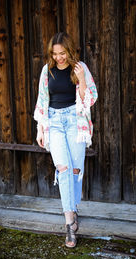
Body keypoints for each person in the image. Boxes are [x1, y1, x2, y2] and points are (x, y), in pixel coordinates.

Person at [34, 32, 98, 248]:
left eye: (62, 53)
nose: (59, 57)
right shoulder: (47, 70)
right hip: (54, 122)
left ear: (70, 51)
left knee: (75, 170)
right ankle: (69, 223)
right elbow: (42, 101)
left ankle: (73, 207)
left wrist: (81, 80)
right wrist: (40, 129)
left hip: (75, 121)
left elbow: (89, 100)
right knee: (62, 168)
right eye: (55, 53)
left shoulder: (80, 68)